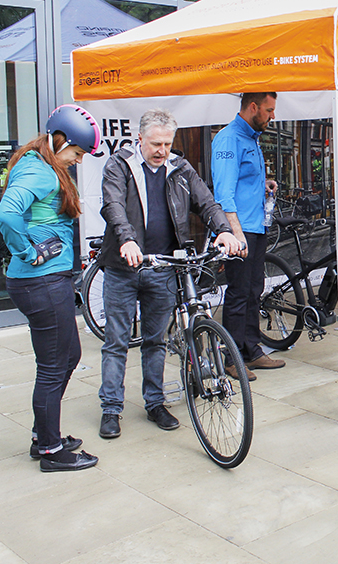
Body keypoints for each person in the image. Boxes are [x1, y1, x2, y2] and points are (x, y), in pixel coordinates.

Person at [97, 109, 241, 439]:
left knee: (156, 341)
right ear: (140, 140)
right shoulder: (120, 165)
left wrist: (224, 230)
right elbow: (113, 205)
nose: (161, 150)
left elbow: (206, 202)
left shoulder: (179, 168)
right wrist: (127, 238)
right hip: (124, 267)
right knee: (116, 340)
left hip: (162, 267)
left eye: (166, 143)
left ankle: (154, 403)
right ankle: (111, 408)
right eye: (155, 144)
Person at [0, 104, 101, 472]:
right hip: (40, 281)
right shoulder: (40, 172)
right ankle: (51, 451)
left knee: (68, 356)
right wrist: (29, 251)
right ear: (59, 141)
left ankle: (45, 434)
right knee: (53, 367)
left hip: (44, 281)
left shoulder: (39, 164)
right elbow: (6, 213)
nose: (77, 161)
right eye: (75, 153)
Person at [212, 92, 286, 379]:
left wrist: (263, 185)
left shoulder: (252, 137)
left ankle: (251, 349)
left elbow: (242, 181)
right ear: (253, 107)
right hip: (240, 231)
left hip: (256, 226)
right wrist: (236, 234)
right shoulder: (229, 139)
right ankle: (231, 357)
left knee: (255, 290)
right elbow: (223, 193)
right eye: (269, 110)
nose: (272, 116)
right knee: (239, 293)